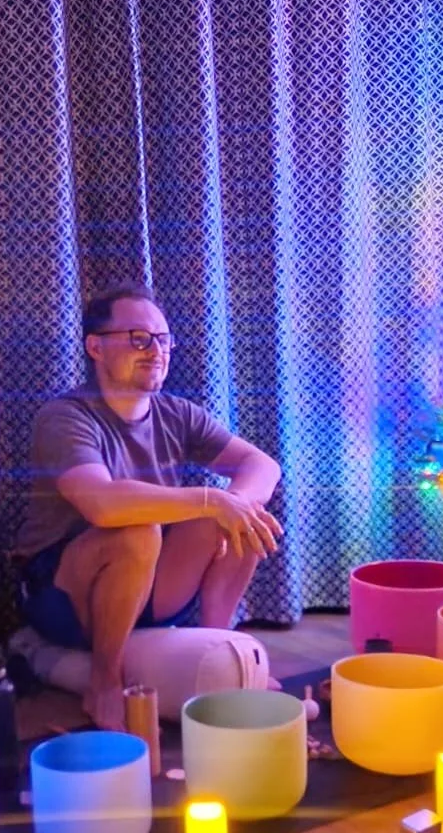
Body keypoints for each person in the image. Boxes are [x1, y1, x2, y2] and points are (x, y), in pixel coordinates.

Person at [16, 284, 283, 728]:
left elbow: (263, 465)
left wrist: (230, 506)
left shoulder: (177, 413)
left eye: (163, 340)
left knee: (243, 515)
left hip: (151, 587)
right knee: (139, 530)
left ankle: (223, 644)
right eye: (139, 338)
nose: (156, 350)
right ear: (96, 347)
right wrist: (208, 499)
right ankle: (103, 681)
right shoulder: (65, 417)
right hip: (63, 595)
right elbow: (102, 505)